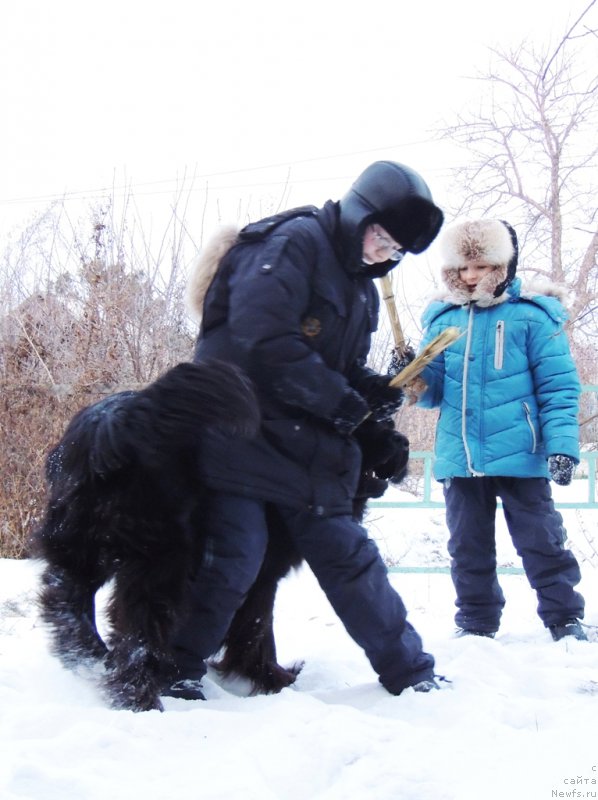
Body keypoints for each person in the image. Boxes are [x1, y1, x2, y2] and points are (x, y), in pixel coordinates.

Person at [165, 160, 446, 700]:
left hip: (304, 447)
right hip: (238, 433)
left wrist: (372, 401)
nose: (384, 254)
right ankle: (172, 666)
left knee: (351, 557)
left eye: (395, 250)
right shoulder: (292, 244)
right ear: (361, 215)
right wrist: (346, 407)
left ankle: (411, 674)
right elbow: (263, 340)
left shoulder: (361, 288)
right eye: (382, 238)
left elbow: (338, 365)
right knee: (234, 556)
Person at [411, 218, 586, 641]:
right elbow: (431, 392)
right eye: (463, 267)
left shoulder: (532, 317)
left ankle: (564, 617)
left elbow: (559, 387)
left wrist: (562, 446)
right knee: (467, 546)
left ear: (503, 266)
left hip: (521, 452)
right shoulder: (443, 320)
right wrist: (412, 374)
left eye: (482, 266)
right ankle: (475, 622)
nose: (471, 276)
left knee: (541, 540)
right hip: (461, 455)